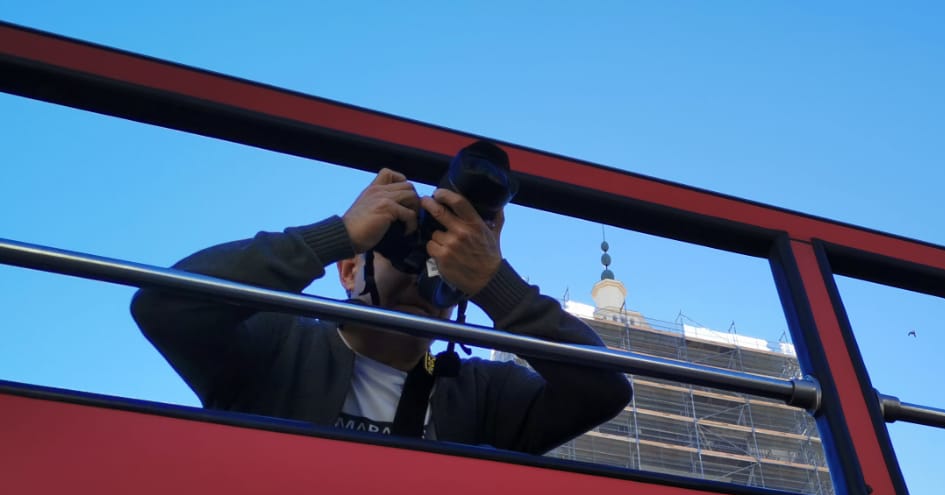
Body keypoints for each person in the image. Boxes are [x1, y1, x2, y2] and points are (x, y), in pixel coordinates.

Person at [130, 167, 632, 455]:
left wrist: (494, 281)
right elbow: (164, 304)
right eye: (407, 253)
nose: (426, 270)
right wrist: (336, 235)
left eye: (444, 259)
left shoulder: (482, 393)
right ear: (349, 272)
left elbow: (603, 390)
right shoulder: (278, 346)